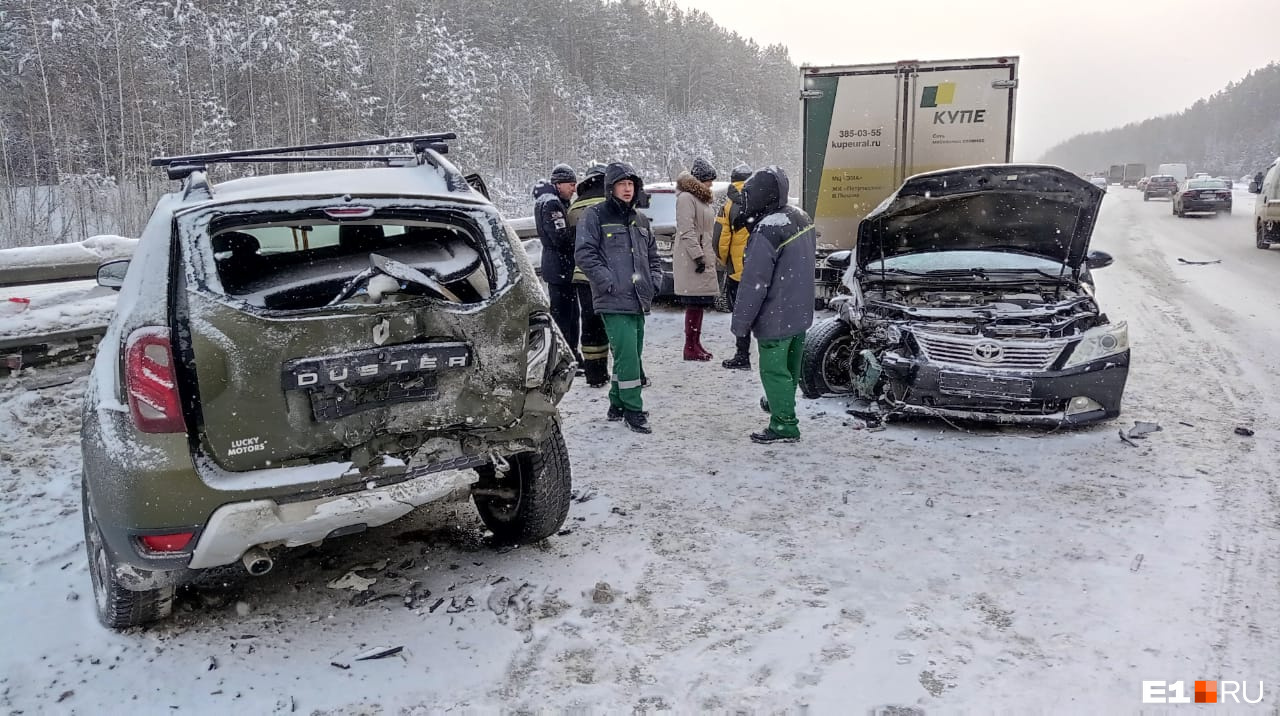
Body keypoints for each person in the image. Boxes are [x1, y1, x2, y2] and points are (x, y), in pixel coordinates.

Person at [574, 162, 663, 434]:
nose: (627, 189)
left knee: (631, 352)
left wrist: (654, 281)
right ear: (610, 187)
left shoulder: (641, 220)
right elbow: (585, 253)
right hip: (612, 298)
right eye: (622, 184)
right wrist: (607, 280)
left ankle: (617, 402)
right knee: (628, 356)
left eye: (631, 184)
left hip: (638, 298)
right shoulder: (595, 215)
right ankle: (634, 409)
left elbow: (653, 257)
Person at [730, 166, 816, 444]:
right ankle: (782, 404)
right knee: (790, 367)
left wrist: (740, 323)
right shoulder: (800, 217)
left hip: (775, 317)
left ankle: (784, 424)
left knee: (773, 371)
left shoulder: (768, 229)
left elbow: (754, 283)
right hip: (799, 312)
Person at [566, 163, 611, 387]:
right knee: (615, 321)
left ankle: (595, 373)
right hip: (608, 273)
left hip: (582, 275)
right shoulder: (610, 204)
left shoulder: (575, 207)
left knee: (590, 323)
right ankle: (628, 372)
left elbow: (572, 241)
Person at [674, 158, 720, 361]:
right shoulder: (686, 198)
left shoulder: (700, 198)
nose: (711, 184)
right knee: (693, 303)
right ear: (700, 180)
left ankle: (695, 343)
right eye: (709, 180)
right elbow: (687, 230)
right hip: (692, 258)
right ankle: (689, 346)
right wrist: (698, 256)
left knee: (699, 303)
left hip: (702, 254)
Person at [534, 163, 581, 362]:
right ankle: (565, 355)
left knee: (569, 314)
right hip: (560, 268)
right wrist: (580, 232)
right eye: (571, 184)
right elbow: (560, 238)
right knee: (565, 316)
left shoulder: (549, 201)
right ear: (558, 184)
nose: (574, 189)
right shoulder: (552, 204)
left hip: (558, 267)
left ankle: (569, 353)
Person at [714, 163, 753, 369]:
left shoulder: (729, 205)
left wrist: (725, 262)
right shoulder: (763, 200)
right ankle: (770, 354)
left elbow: (720, 239)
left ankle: (742, 354)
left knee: (741, 314)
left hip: (738, 271)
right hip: (761, 269)